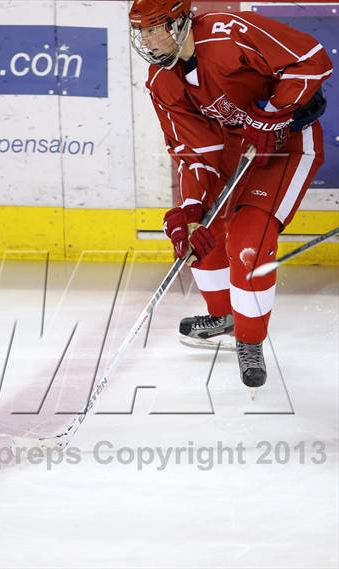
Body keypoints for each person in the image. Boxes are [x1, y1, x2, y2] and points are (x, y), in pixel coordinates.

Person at [129, 0, 333, 390]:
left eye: (157, 28)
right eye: (143, 31)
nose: (149, 40)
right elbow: (194, 153)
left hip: (284, 148)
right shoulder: (162, 82)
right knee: (198, 237)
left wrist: (274, 112)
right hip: (235, 151)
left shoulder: (228, 31)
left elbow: (311, 59)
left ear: (181, 20)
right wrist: (189, 212)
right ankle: (226, 317)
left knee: (248, 242)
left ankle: (249, 339)